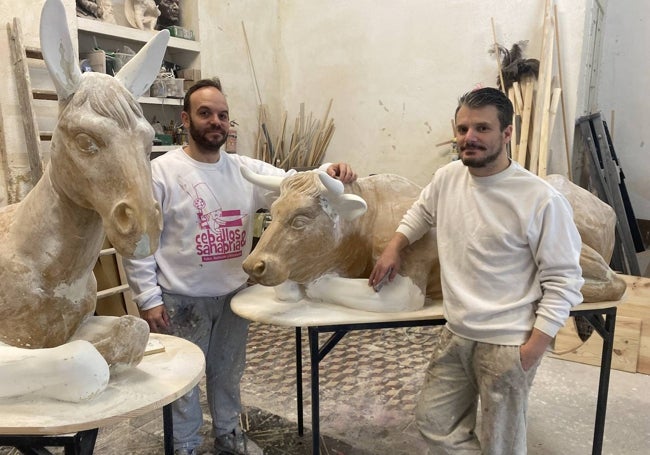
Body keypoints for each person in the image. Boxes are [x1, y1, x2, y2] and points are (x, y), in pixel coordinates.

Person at [123, 77, 356, 455]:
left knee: (228, 372)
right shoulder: (160, 173)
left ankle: (229, 433)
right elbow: (140, 240)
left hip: (233, 296)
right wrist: (148, 297)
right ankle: (183, 444)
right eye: (205, 113)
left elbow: (297, 183)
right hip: (180, 299)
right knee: (181, 379)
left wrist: (331, 170)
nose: (216, 121)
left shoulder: (244, 169)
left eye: (223, 115)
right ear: (185, 118)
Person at [369, 87, 584, 454]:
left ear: (506, 133)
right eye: (463, 128)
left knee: (500, 444)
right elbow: (421, 212)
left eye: (482, 129)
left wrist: (533, 349)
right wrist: (394, 247)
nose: (469, 138)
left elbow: (564, 280)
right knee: (433, 421)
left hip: (507, 342)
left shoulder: (540, 199)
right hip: (456, 333)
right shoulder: (448, 178)